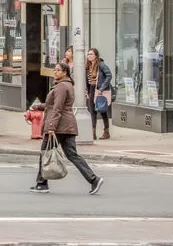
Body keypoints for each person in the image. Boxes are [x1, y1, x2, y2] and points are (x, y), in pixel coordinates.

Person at [31, 61, 104, 195]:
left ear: (65, 72)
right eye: (55, 70)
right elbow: (55, 105)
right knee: (72, 155)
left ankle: (41, 184)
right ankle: (94, 180)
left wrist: (51, 126)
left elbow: (58, 108)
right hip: (68, 125)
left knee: (45, 152)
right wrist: (40, 106)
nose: (55, 72)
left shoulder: (61, 87)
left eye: (58, 70)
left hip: (59, 126)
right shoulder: (66, 85)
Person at [86, 47, 113, 140]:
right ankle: (93, 133)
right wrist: (87, 90)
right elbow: (87, 80)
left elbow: (109, 75)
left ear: (96, 56)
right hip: (92, 90)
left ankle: (106, 132)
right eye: (88, 54)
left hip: (100, 90)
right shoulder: (88, 66)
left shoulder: (101, 65)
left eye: (91, 54)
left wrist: (102, 88)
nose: (89, 56)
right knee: (92, 112)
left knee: (102, 111)